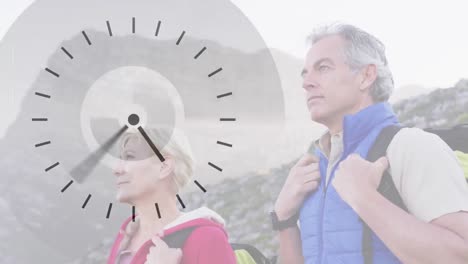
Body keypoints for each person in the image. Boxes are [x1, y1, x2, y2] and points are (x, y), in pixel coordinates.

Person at [272, 23, 468, 263]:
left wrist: (364, 198)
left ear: (366, 76)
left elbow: (461, 256)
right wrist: (285, 220)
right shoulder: (315, 167)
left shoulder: (410, 147)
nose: (307, 83)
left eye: (323, 68)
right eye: (305, 73)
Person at [107, 127, 236, 264]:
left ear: (164, 167)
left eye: (130, 157)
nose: (116, 170)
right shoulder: (126, 237)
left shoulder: (207, 238)